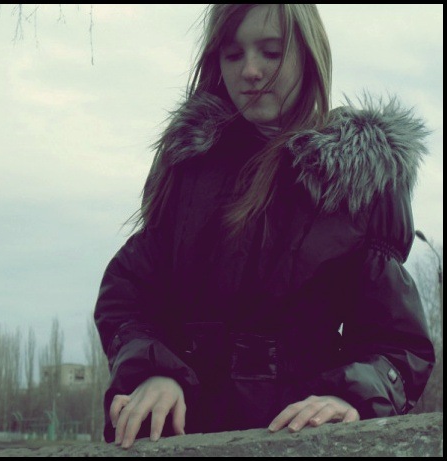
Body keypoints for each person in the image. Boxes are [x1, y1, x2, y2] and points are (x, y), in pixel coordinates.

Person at [94, 4, 435, 449]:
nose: (250, 71)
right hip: (179, 437)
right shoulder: (189, 167)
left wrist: (349, 397)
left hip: (300, 443)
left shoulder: (357, 180)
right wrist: (153, 371)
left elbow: (397, 343)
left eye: (271, 52)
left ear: (309, 53)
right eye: (232, 54)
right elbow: (128, 296)